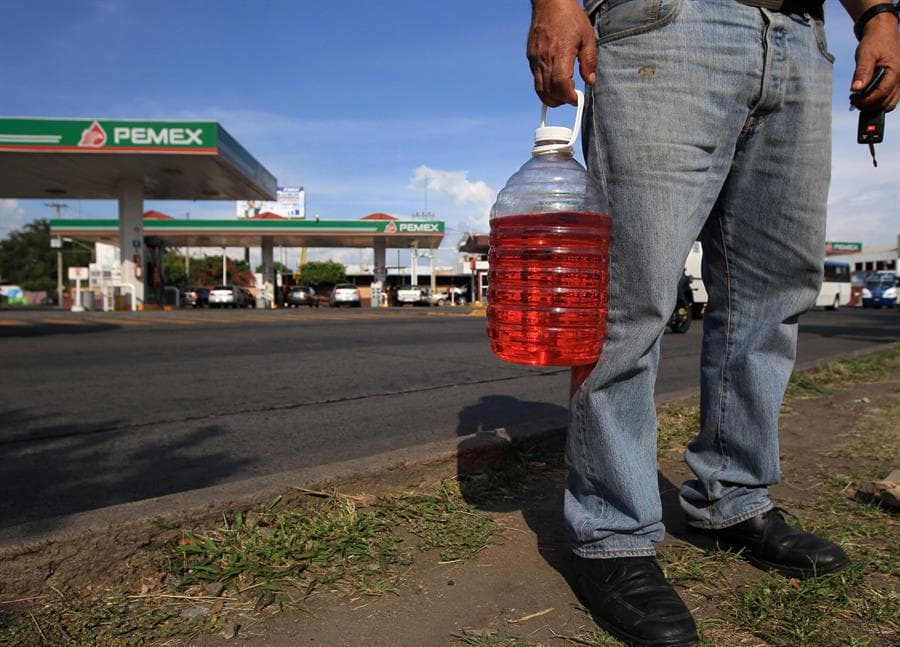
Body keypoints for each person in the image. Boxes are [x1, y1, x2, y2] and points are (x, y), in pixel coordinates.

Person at [526, 1, 900, 645]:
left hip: (801, 40)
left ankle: (734, 497)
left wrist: (878, 16)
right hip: (668, 26)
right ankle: (611, 533)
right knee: (631, 298)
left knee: (771, 296)